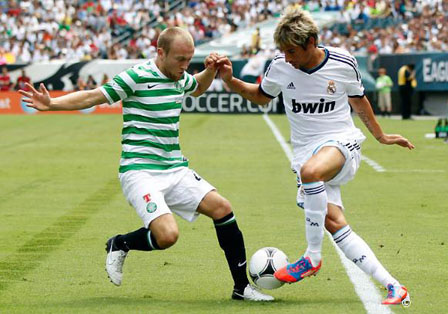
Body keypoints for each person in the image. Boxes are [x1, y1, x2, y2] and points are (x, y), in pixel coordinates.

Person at [19, 27, 272, 302]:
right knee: (167, 236)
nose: (185, 66)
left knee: (223, 208)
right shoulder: (136, 76)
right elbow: (94, 95)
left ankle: (241, 288)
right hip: (140, 171)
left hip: (175, 169)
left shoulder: (179, 76)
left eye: (189, 60)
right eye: (180, 59)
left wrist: (210, 69)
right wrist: (52, 103)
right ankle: (121, 243)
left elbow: (197, 87)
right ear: (160, 53)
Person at [218, 7, 413, 306]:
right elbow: (260, 96)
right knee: (336, 224)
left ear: (311, 42)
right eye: (283, 51)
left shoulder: (343, 62)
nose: (288, 58)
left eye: (292, 51)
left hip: (342, 145)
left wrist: (381, 137)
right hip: (306, 153)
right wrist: (230, 80)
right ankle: (394, 286)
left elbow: (359, 101)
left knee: (311, 173)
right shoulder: (280, 66)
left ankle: (312, 257)